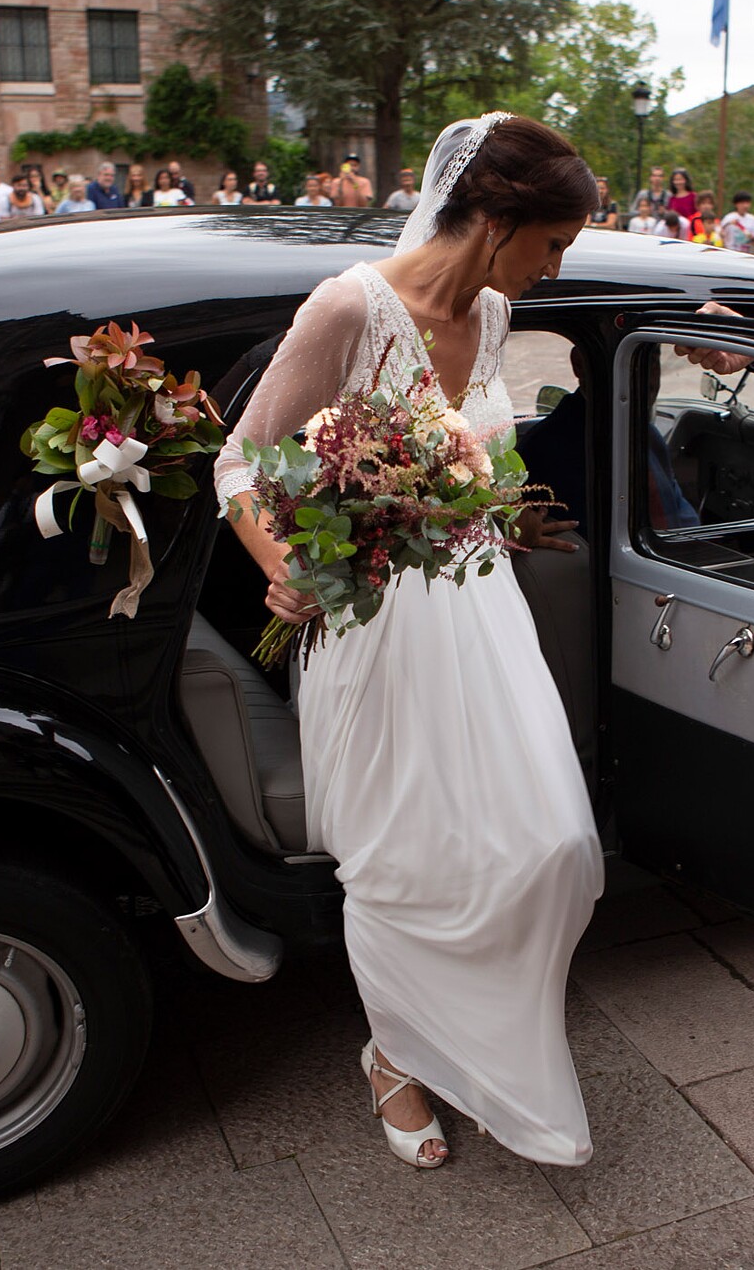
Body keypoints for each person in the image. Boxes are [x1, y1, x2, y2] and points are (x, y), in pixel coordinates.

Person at [214, 112, 603, 1172]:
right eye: (552, 243)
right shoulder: (350, 306)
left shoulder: (490, 312)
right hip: (375, 626)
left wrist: (495, 496)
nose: (555, 267)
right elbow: (239, 463)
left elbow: (487, 464)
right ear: (494, 220)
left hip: (480, 615)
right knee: (403, 860)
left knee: (549, 848)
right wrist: (282, 567)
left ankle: (473, 1037)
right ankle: (392, 1053)